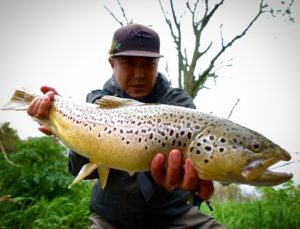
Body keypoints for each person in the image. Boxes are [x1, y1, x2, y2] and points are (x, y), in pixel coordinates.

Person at [27, 24, 225, 229]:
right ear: (112, 63)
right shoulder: (96, 102)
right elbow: (76, 168)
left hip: (175, 216)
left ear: (157, 64)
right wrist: (61, 124)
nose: (139, 74)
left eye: (148, 64)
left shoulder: (179, 103)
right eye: (128, 63)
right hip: (112, 219)